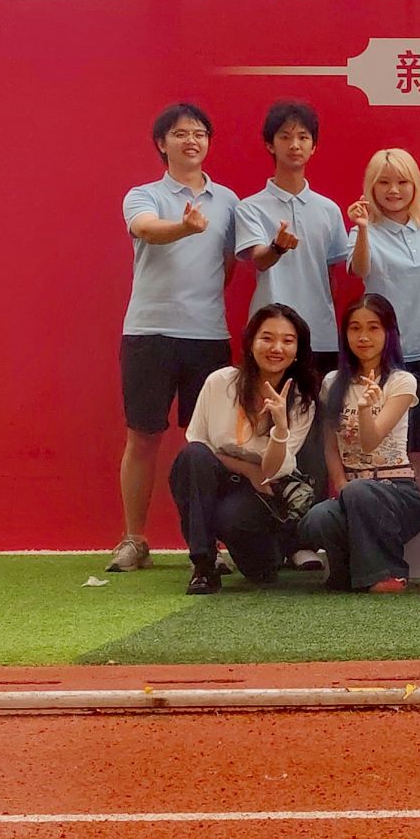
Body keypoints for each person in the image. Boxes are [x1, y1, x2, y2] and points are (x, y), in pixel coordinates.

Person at [110, 102, 240, 574]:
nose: (192, 141)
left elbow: (227, 264)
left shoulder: (228, 201)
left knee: (207, 443)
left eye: (200, 133)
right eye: (181, 133)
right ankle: (134, 539)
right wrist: (183, 227)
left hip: (207, 335)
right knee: (143, 436)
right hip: (149, 332)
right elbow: (146, 230)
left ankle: (206, 546)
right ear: (161, 143)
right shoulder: (143, 195)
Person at [234, 99, 348, 564]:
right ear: (270, 144)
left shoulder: (329, 210)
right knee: (266, 435)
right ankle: (267, 539)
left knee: (318, 440)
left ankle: (308, 540)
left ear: (314, 146)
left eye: (303, 137)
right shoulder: (250, 207)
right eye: (285, 136)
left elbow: (337, 272)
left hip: (320, 339)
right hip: (270, 345)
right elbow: (258, 259)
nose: (295, 144)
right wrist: (277, 248)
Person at [167, 303, 318, 595]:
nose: (277, 348)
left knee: (261, 573)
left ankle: (276, 549)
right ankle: (203, 564)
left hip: (261, 494)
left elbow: (271, 471)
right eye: (267, 338)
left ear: (298, 350)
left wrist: (280, 427)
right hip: (219, 478)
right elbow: (199, 445)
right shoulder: (220, 382)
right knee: (192, 458)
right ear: (250, 343)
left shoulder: (301, 400)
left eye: (288, 341)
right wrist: (247, 469)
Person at [347, 148, 420, 494]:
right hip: (384, 358)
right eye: (383, 183)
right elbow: (360, 269)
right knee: (394, 448)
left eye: (402, 182)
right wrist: (363, 229)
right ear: (371, 187)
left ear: (415, 186)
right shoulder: (363, 231)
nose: (393, 190)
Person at [303, 295, 420, 593]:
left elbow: (371, 442)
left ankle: (390, 575)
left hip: (398, 493)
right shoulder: (332, 382)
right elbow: (330, 445)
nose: (363, 337)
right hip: (352, 490)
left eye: (373, 328)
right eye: (355, 328)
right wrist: (340, 485)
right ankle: (349, 576)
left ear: (389, 333)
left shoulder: (401, 382)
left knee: (360, 492)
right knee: (316, 519)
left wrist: (363, 410)